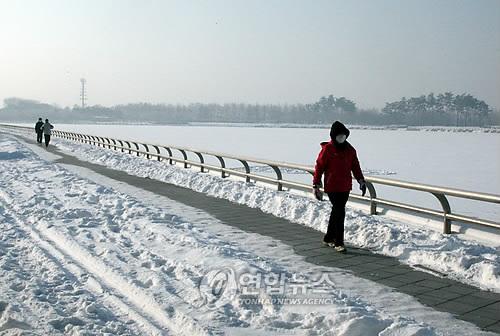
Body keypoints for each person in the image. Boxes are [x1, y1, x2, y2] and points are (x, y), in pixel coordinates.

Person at [312, 121, 366, 253]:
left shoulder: (350, 150)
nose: (342, 139)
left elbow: (355, 166)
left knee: (337, 211)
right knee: (340, 211)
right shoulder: (327, 150)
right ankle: (339, 242)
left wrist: (361, 180)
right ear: (333, 137)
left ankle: (328, 237)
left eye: (343, 136)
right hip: (332, 186)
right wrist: (316, 184)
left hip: (345, 186)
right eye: (339, 136)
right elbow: (319, 167)